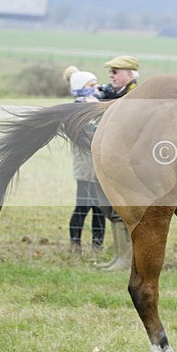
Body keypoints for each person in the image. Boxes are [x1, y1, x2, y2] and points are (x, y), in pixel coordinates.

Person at [94, 55, 140, 271]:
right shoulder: (115, 95)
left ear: (129, 75)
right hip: (114, 158)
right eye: (110, 71)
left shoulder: (135, 97)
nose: (111, 75)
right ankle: (120, 256)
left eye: (115, 71)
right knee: (110, 208)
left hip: (129, 162)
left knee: (123, 210)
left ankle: (126, 259)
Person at [66, 69, 105, 255]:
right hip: (84, 166)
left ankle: (97, 246)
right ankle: (75, 244)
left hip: (99, 167)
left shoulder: (98, 104)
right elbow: (85, 135)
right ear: (81, 88)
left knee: (100, 208)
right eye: (91, 85)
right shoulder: (76, 109)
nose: (95, 88)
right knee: (82, 206)